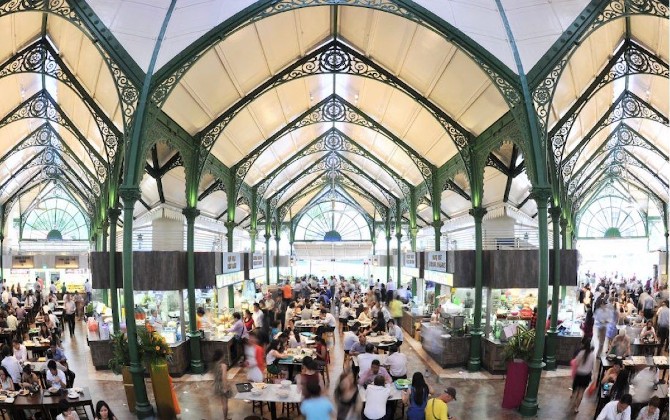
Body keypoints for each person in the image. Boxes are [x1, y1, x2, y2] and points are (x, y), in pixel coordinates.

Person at [569, 339, 596, 414]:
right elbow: (593, 367)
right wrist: (594, 378)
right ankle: (576, 408)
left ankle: (572, 404)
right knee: (581, 392)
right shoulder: (592, 355)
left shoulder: (581, 353)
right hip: (586, 376)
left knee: (575, 391)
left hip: (578, 375)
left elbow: (576, 363)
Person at [212, 350, 232, 420]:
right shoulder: (223, 365)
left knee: (223, 402)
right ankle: (225, 418)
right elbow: (224, 377)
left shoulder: (215, 365)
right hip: (222, 385)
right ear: (221, 356)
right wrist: (225, 387)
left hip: (217, 385)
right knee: (225, 403)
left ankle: (225, 417)